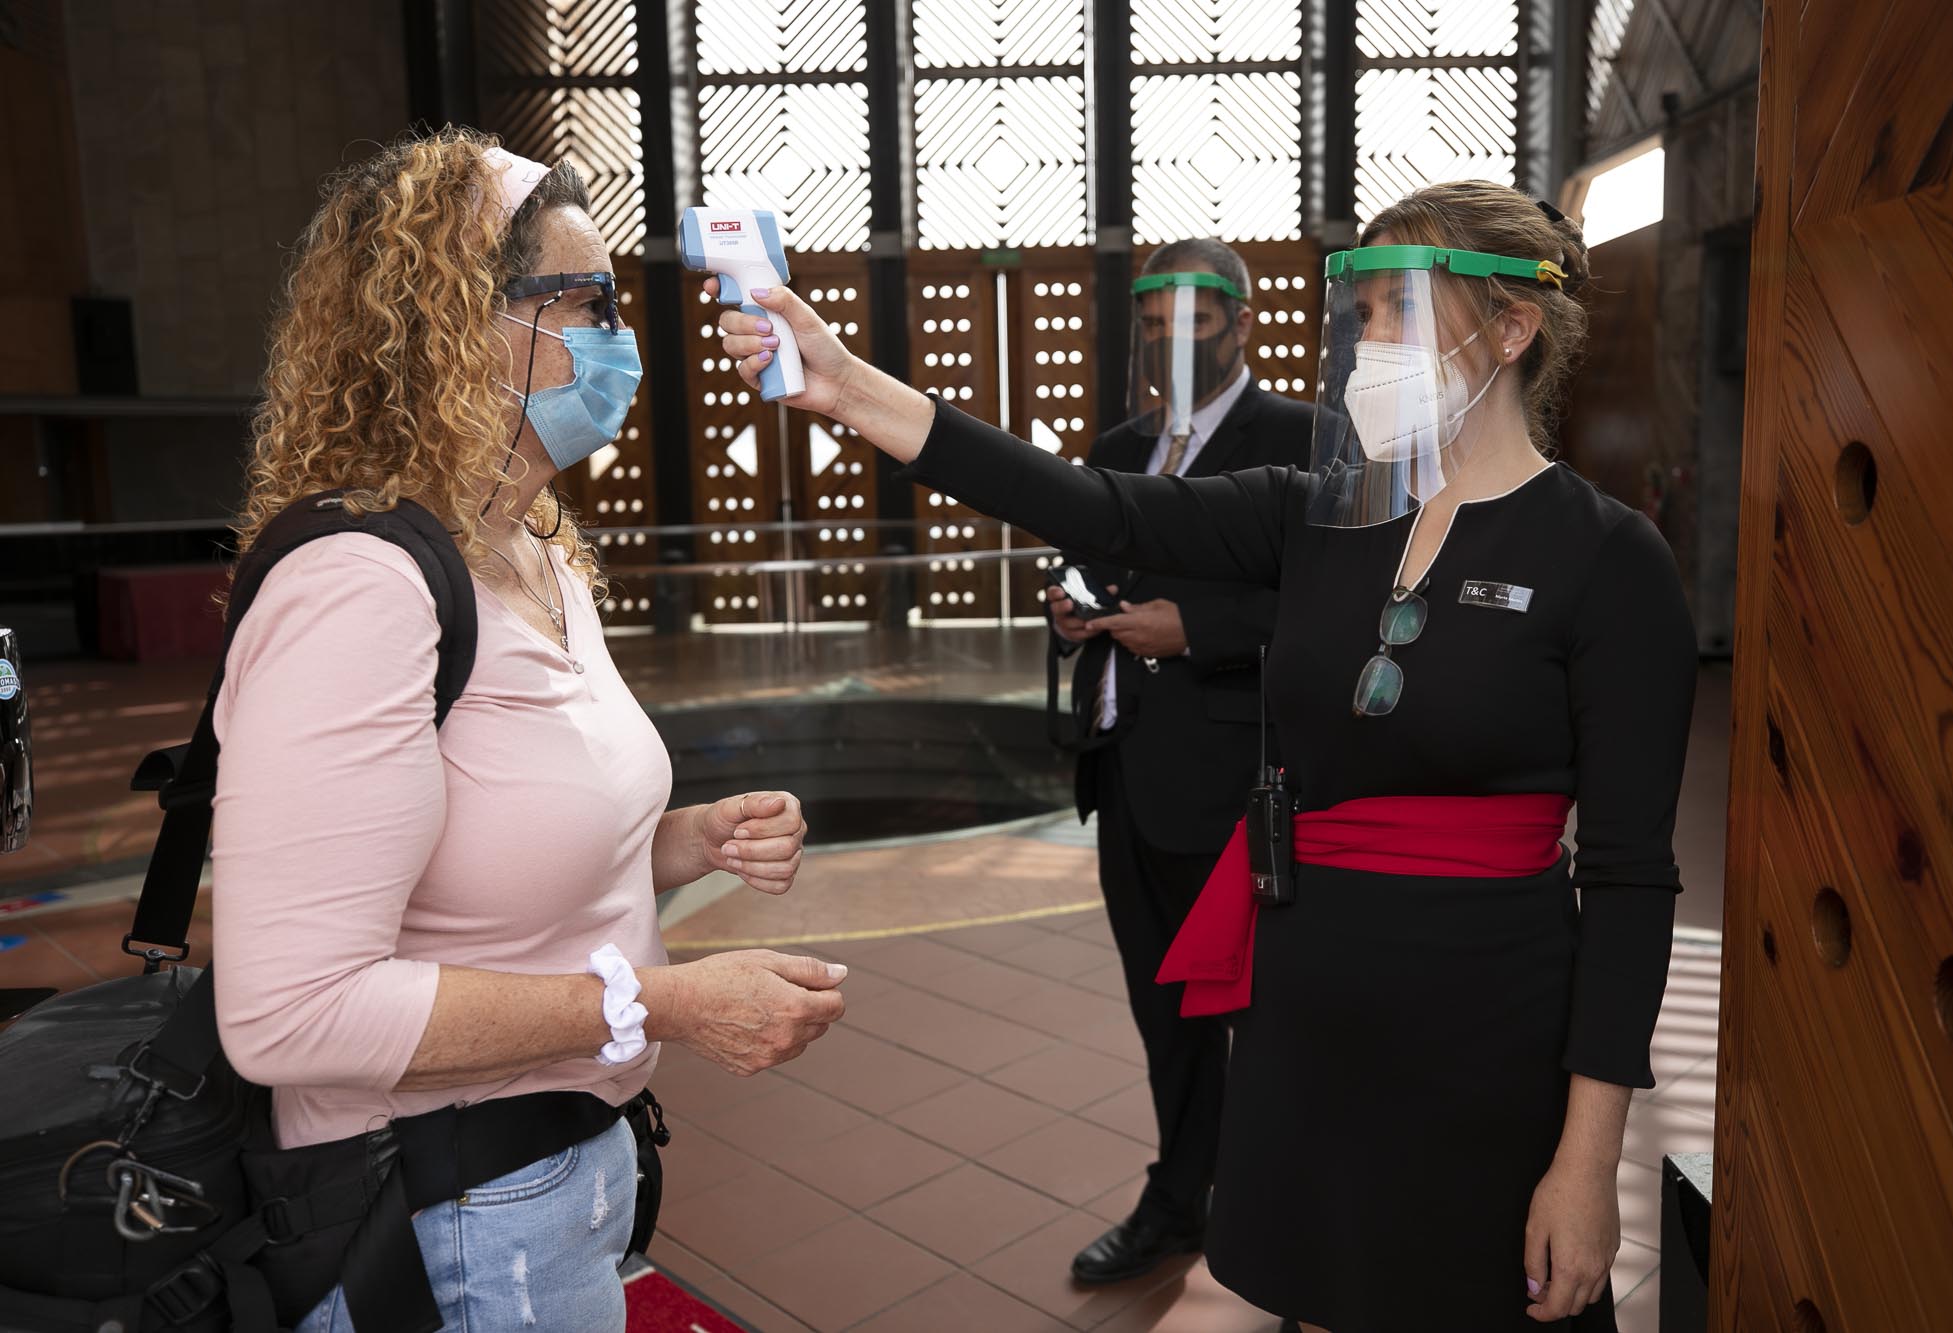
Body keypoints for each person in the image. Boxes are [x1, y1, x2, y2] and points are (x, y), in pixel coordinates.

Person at [707, 180, 1696, 1330]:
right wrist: (850, 388)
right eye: (1360, 314)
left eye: (1396, 312)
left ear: (1512, 328)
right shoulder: (1315, 511)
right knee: (1291, 1293)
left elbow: (1627, 880)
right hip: (1301, 1022)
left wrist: (1586, 1161)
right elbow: (1096, 504)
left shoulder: (1607, 560)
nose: (1367, 342)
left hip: (1484, 1036)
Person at [211, 129, 846, 1329]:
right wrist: (663, 1001)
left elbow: (497, 861)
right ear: (456, 324)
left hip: (552, 1174)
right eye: (589, 301)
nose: (623, 338)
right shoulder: (360, 586)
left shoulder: (532, 549)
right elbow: (289, 1012)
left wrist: (685, 839)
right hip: (442, 1214)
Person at [1045, 240, 1315, 1284]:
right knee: (1164, 1012)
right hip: (1122, 772)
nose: (1170, 341)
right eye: (1153, 323)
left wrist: (1196, 627)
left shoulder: (1294, 437)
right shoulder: (1117, 442)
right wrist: (1070, 613)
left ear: (1240, 324)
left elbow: (1323, 597)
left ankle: (1279, 1221)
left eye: (1193, 321)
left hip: (1233, 778)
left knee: (1257, 1014)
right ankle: (1178, 1199)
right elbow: (1088, 562)